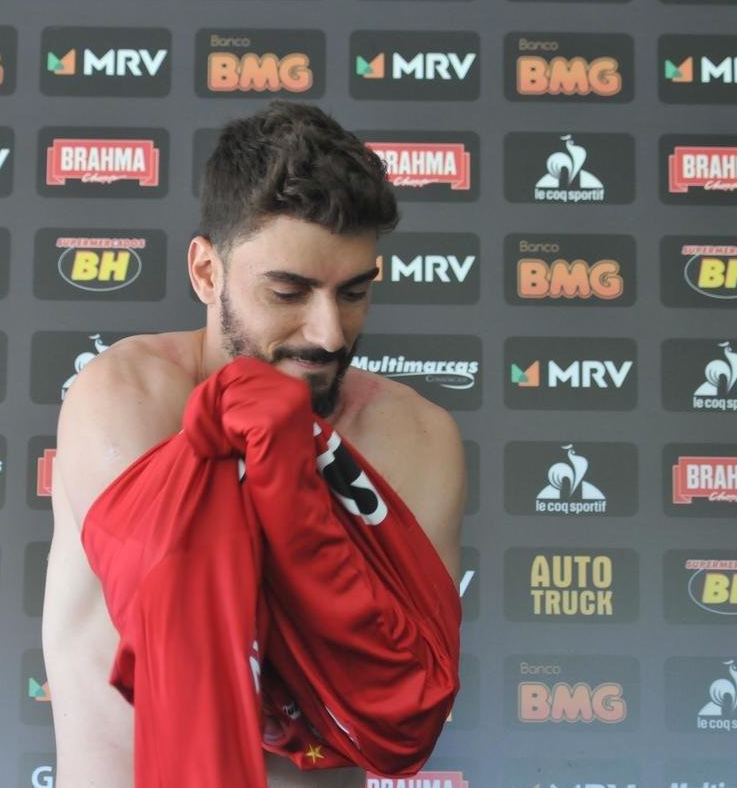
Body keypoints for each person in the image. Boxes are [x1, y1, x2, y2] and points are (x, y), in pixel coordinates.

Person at [42, 100, 467, 787]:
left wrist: (287, 471)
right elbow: (186, 642)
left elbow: (402, 711)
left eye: (353, 292)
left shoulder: (415, 435)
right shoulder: (126, 396)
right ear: (207, 273)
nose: (328, 333)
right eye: (289, 292)